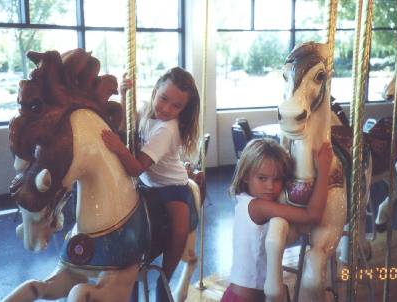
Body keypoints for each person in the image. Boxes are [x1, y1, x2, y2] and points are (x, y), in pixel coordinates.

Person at [101, 67, 200, 302]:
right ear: (155, 90)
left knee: (179, 228)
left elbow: (135, 166)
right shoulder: (146, 110)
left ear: (183, 110)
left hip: (171, 186)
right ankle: (128, 271)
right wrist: (125, 95)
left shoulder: (167, 129)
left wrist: (117, 146)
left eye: (176, 106)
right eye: (163, 99)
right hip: (145, 184)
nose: (166, 109)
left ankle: (164, 280)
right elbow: (129, 129)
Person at [221, 138, 333, 302]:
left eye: (277, 179)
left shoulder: (244, 200)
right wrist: (323, 170)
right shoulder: (258, 207)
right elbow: (312, 215)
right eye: (262, 178)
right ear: (245, 176)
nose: (270, 186)